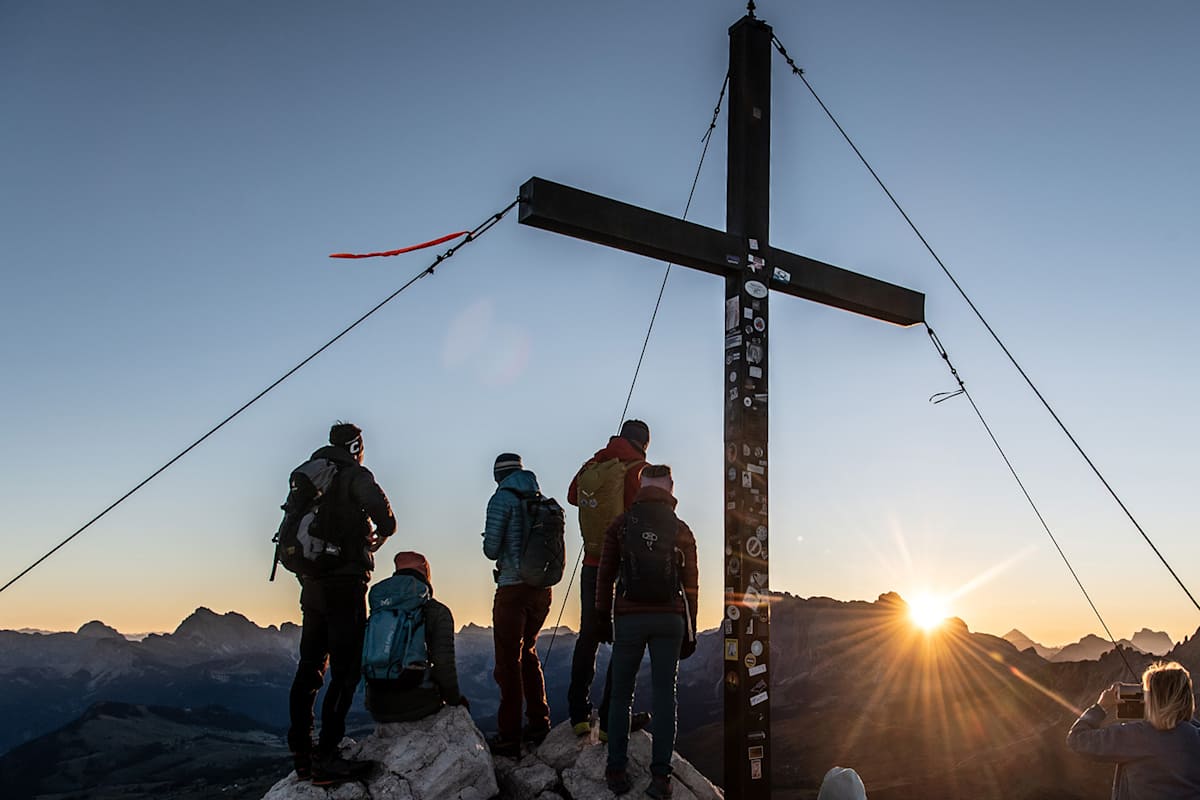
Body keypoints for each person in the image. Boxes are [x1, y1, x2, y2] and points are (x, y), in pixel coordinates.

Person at [287, 422, 396, 785]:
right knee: (346, 671)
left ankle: (302, 753)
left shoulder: (313, 476)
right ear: (355, 446)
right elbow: (384, 515)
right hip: (345, 583)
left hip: (312, 583)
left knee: (310, 667)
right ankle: (328, 755)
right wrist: (384, 529)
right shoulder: (353, 474)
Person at [596, 464, 698, 799]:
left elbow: (605, 574)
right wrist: (690, 630)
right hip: (670, 619)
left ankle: (616, 769)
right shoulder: (681, 529)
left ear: (641, 486)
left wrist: (601, 617)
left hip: (629, 617)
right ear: (670, 487)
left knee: (621, 693)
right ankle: (660, 778)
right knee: (664, 695)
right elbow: (691, 587)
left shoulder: (621, 525)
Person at [566, 419, 650, 739]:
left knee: (588, 635)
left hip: (592, 564)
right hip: (626, 566)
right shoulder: (640, 469)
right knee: (626, 640)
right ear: (643, 443)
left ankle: (579, 715)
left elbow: (574, 495)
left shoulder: (597, 462)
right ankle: (613, 718)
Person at [482, 452, 552, 758]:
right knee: (529, 653)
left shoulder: (502, 499)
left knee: (508, 662)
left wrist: (490, 538)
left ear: (499, 475)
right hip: (542, 590)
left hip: (512, 588)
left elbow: (490, 549)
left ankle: (509, 736)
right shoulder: (540, 500)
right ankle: (539, 723)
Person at [1067, 660, 1200, 799]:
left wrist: (1101, 707)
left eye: (1147, 694)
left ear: (1154, 700)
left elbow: (1077, 738)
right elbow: (1183, 726)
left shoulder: (1138, 737)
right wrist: (1174, 713)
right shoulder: (1196, 736)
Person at [364, 551, 469, 723]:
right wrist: (455, 701)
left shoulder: (380, 609)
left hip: (377, 707)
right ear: (426, 574)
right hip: (418, 706)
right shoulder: (436, 611)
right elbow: (444, 664)